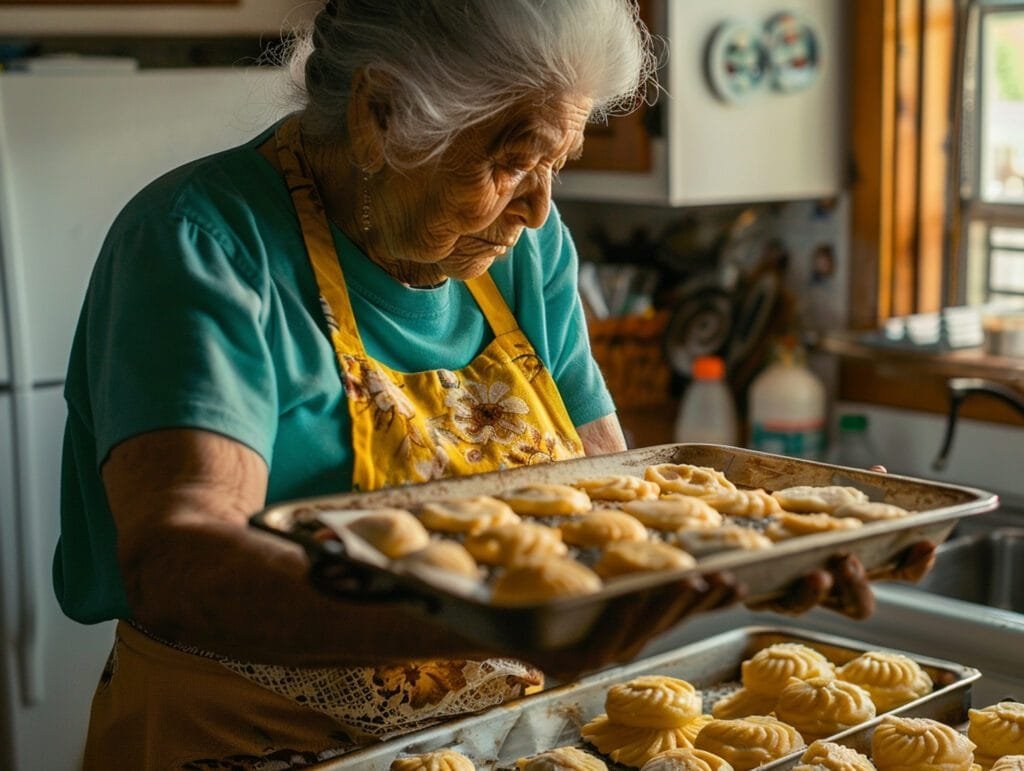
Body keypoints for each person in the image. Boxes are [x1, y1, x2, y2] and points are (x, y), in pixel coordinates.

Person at [54, 1, 934, 767]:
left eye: (561, 162)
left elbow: (614, 505)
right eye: (513, 160)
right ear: (380, 115)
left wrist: (765, 551)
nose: (541, 207)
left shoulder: (528, 248)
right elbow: (182, 561)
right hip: (245, 740)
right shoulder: (204, 244)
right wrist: (491, 619)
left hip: (496, 746)